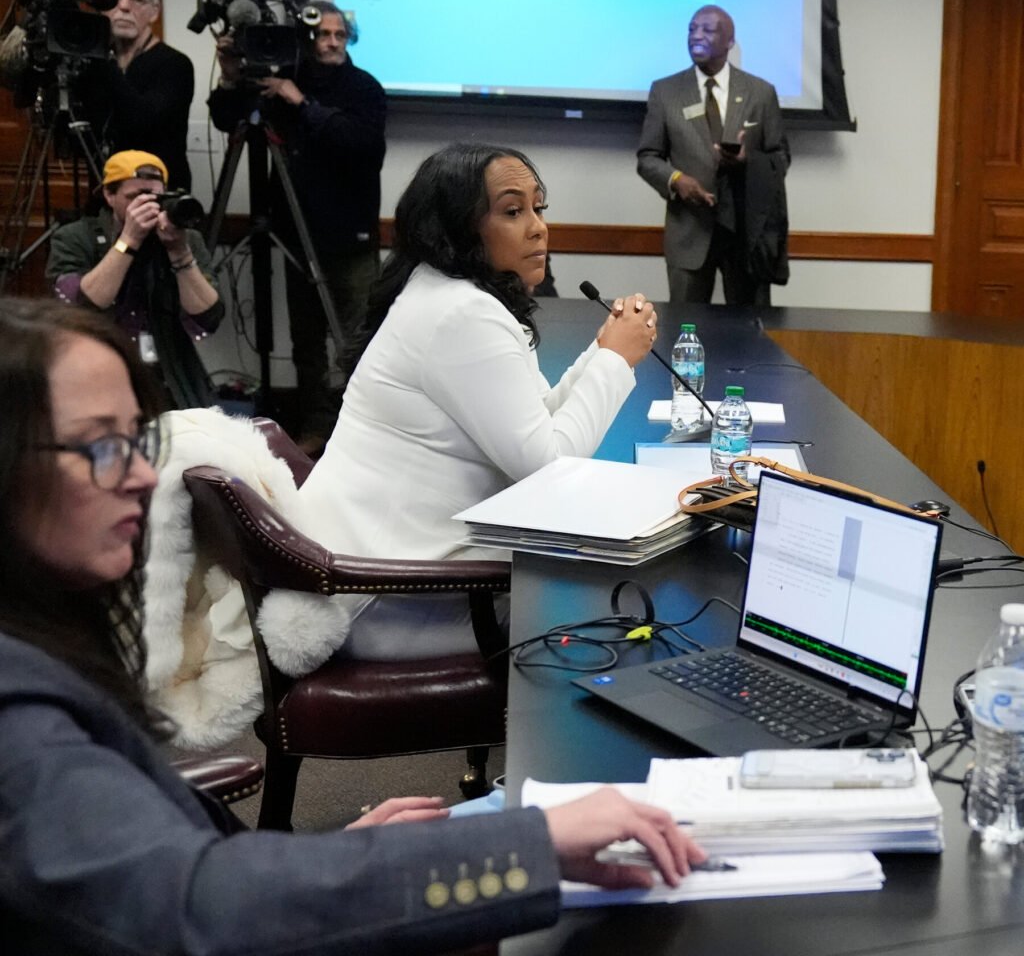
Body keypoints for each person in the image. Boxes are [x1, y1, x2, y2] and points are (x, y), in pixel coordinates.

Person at [0, 296, 705, 954]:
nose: (141, 477)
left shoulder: (50, 641)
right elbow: (192, 909)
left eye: (137, 441)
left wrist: (334, 861)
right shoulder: (19, 716)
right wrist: (530, 845)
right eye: (100, 448)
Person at [296, 142, 658, 660]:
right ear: (457, 228)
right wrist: (616, 360)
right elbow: (548, 466)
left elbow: (537, 421)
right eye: (513, 211)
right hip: (390, 597)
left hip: (381, 572)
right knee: (621, 594)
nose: (538, 228)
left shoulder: (451, 294)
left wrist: (602, 351)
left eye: (538, 208)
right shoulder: (462, 313)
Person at [208, 1, 386, 455]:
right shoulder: (286, 77)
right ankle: (314, 426)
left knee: (358, 340)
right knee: (306, 343)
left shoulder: (363, 87)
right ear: (308, 39)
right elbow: (229, 119)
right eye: (323, 35)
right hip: (295, 234)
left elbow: (363, 147)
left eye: (339, 35)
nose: (331, 43)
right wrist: (231, 76)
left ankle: (362, 434)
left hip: (350, 236)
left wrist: (302, 104)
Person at [637, 4, 790, 305]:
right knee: (686, 326)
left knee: (748, 327)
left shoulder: (760, 92)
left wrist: (747, 161)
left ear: (730, 41)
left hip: (745, 234)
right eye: (692, 29)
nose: (697, 36)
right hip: (689, 231)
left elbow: (781, 157)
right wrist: (676, 180)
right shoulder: (665, 91)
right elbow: (647, 157)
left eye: (708, 30)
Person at [46, 149, 223, 408]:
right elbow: (81, 308)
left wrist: (180, 253)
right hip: (95, 373)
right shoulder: (75, 236)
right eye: (135, 197)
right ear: (109, 195)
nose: (148, 206)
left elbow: (208, 318)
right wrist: (129, 240)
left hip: (169, 375)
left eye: (156, 197)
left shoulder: (187, 239)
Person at [76, 0, 195, 190]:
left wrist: (102, 59)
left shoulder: (174, 64)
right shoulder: (91, 64)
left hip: (158, 195)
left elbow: (141, 122)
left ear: (154, 11)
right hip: (106, 192)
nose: (124, 6)